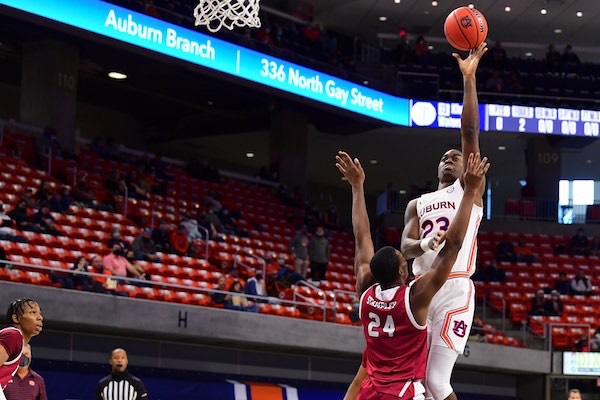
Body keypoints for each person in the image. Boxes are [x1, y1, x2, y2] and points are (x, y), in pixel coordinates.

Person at [336, 150, 488, 400]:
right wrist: (471, 192)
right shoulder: (414, 299)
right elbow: (452, 246)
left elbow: (362, 238)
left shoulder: (365, 294)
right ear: (402, 270)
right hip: (402, 393)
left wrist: (357, 187)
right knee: (435, 385)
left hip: (370, 392)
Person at [399, 42, 488, 400]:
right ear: (437, 168)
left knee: (437, 384)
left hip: (453, 289)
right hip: (420, 290)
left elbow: (469, 134)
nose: (452, 158)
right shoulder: (417, 204)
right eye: (446, 157)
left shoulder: (468, 190)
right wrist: (423, 244)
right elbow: (404, 248)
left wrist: (469, 79)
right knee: (417, 384)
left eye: (456, 156)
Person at [0, 299, 43, 399]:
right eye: (33, 312)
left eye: (39, 313)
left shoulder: (15, 338)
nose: (40, 318)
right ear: (16, 318)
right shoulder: (13, 335)